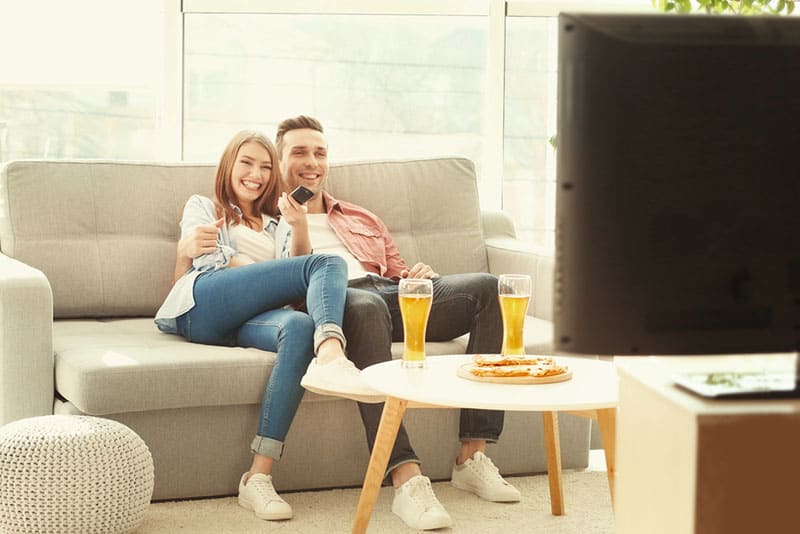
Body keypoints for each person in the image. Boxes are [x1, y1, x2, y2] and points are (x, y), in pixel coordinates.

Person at [274, 116, 521, 531]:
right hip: (338, 304)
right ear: (279, 160)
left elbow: (397, 272)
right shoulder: (269, 219)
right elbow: (291, 291)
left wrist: (416, 279)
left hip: (386, 293)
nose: (312, 162)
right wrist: (298, 227)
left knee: (487, 288)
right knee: (367, 306)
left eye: (320, 152)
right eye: (299, 152)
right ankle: (405, 477)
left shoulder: (360, 217)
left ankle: (471, 456)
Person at [154, 130, 374, 523]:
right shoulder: (203, 206)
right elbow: (209, 262)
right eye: (246, 163)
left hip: (247, 321)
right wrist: (275, 277)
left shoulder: (278, 221)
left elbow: (297, 275)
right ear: (229, 166)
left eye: (265, 166)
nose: (255, 174)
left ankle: (258, 475)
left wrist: (299, 225)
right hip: (204, 306)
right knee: (329, 264)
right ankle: (333, 351)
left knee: (300, 326)